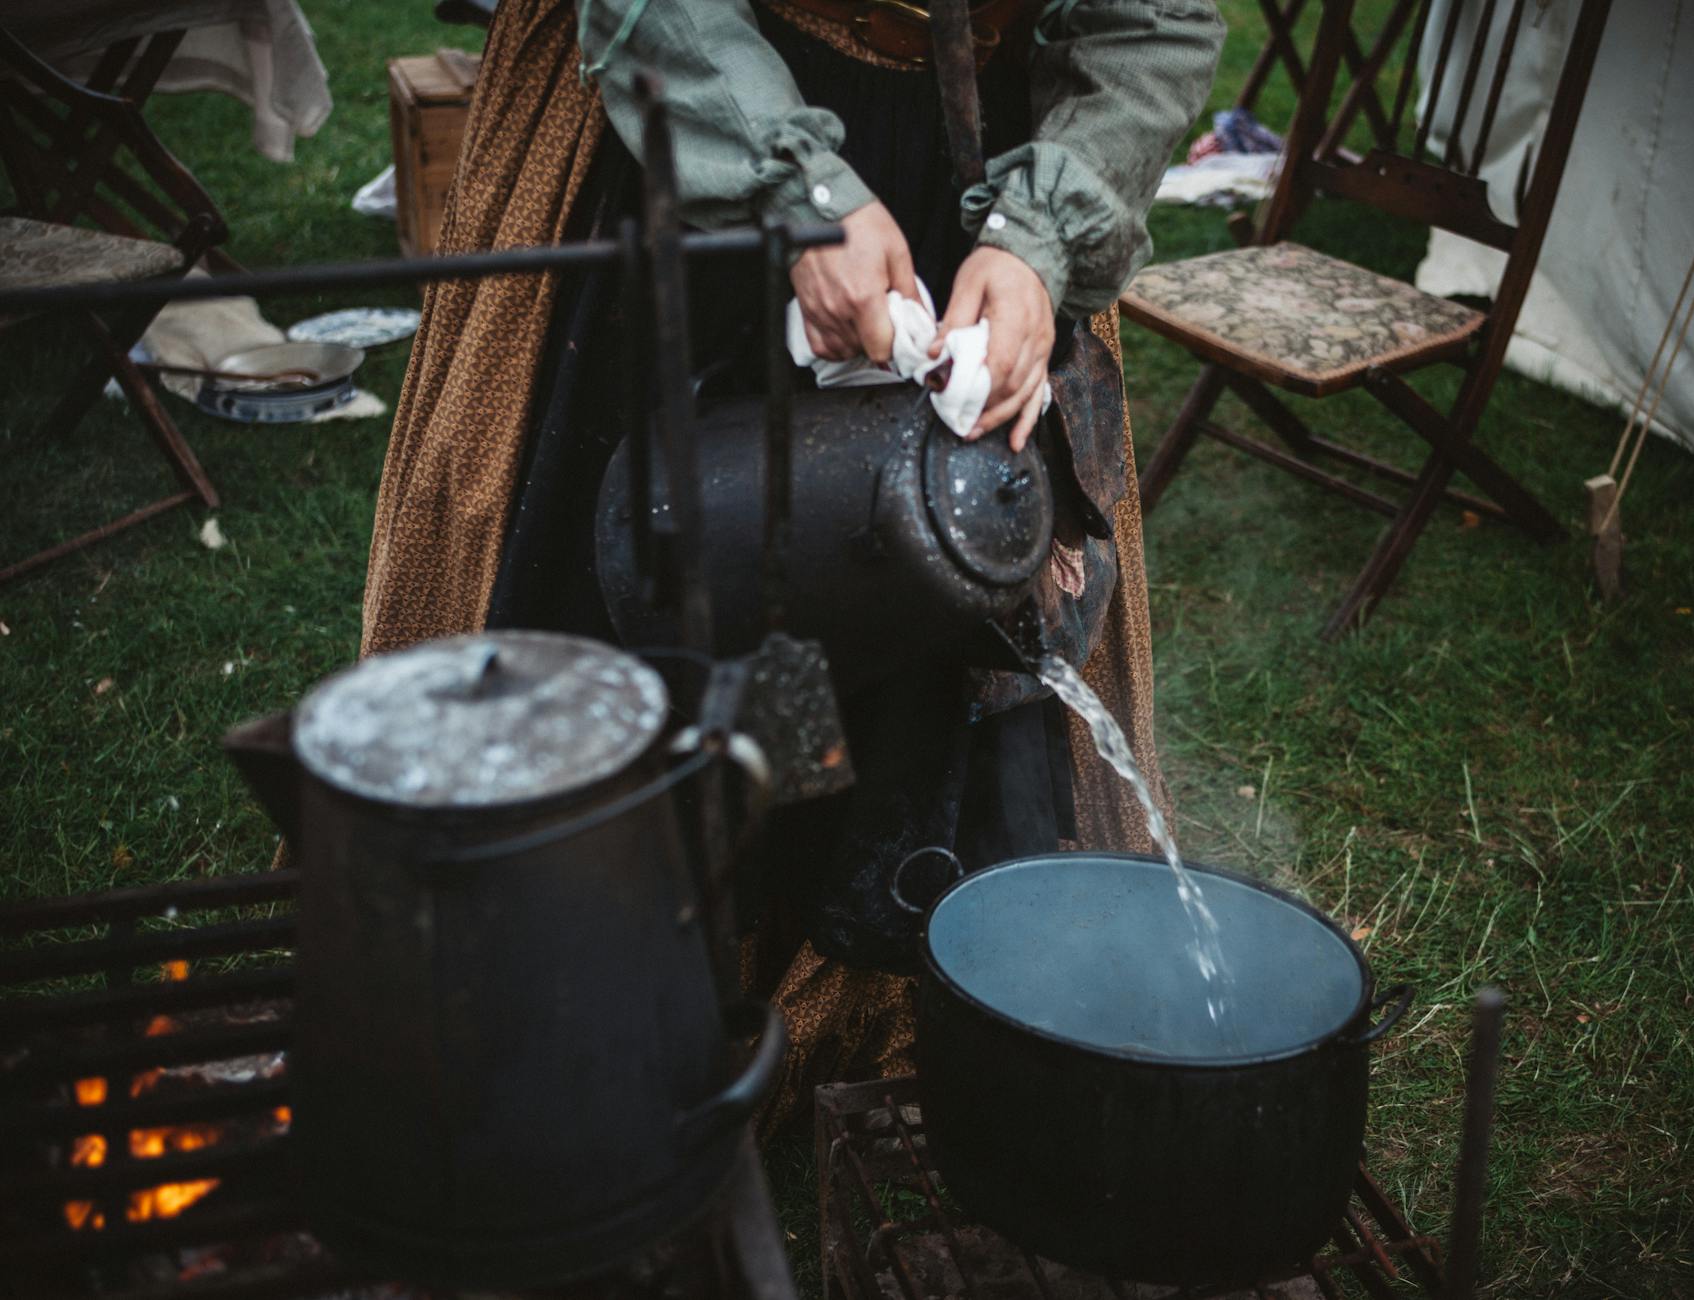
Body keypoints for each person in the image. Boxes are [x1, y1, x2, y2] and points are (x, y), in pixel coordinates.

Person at [360, 0, 1222, 1129]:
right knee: (636, 566)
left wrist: (1035, 244)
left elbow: (1149, 18)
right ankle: (574, 984)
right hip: (692, 115)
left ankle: (841, 983)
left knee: (914, 574)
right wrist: (797, 188)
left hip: (984, 177)